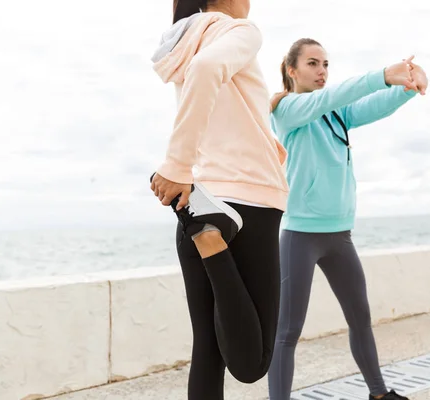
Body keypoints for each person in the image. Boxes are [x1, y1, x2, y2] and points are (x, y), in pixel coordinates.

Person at [267, 38, 428, 400]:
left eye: (325, 64)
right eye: (312, 63)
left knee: (360, 319)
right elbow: (331, 97)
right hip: (301, 235)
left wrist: (408, 87)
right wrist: (383, 75)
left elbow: (373, 106)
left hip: (340, 235)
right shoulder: (288, 109)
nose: (322, 71)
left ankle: (379, 394)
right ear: (292, 70)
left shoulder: (336, 113)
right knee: (288, 331)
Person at [148, 1, 290, 398]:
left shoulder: (186, 39)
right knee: (251, 362)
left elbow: (218, 102)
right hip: (249, 207)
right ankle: (213, 244)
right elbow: (207, 70)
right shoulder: (238, 30)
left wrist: (268, 143)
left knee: (207, 353)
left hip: (202, 202)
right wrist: (176, 164)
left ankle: (209, 241)